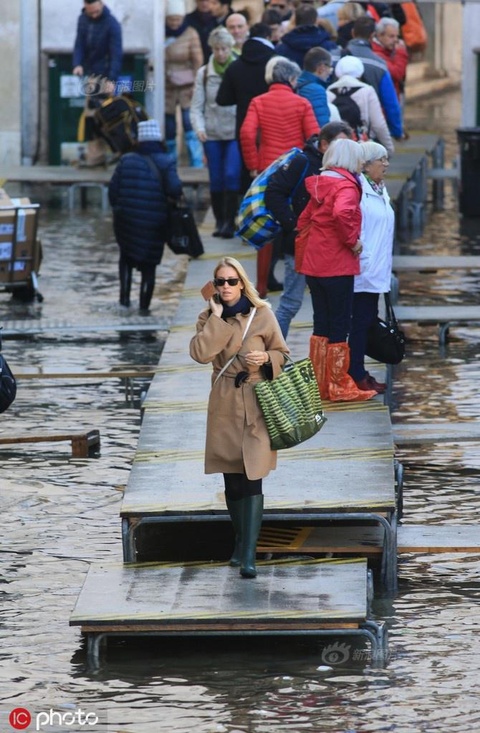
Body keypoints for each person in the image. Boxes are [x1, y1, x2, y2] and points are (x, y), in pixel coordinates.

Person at [189, 257, 288, 579]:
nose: (227, 287)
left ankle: (249, 554)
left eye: (232, 281)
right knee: (231, 478)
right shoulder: (207, 317)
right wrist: (217, 319)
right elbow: (200, 354)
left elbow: (283, 354)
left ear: (243, 283)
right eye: (221, 282)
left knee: (252, 476)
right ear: (214, 287)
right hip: (225, 403)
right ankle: (240, 542)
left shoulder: (262, 315)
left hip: (258, 403)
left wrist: (267, 358)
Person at [296, 138, 377, 402]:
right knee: (340, 324)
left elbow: (304, 220)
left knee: (321, 323)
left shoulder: (320, 182)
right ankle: (338, 385)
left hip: (315, 263)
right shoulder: (347, 185)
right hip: (337, 264)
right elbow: (343, 213)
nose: (363, 164)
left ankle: (319, 384)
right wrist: (352, 241)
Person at [265, 121, 354, 338]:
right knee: (291, 303)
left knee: (322, 313)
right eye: (340, 144)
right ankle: (272, 356)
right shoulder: (302, 162)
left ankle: (318, 364)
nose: (346, 150)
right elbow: (273, 193)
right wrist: (293, 224)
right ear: (324, 144)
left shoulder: (338, 169)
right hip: (300, 243)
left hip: (324, 250)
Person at [240, 57, 319, 299]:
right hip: (295, 172)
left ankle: (261, 287)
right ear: (292, 79)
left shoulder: (258, 102)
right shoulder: (302, 103)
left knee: (266, 227)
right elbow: (314, 136)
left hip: (268, 170)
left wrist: (253, 165)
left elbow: (246, 132)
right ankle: (299, 282)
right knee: (296, 223)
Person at [108, 119, 183, 314]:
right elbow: (175, 189)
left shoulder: (126, 160)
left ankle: (124, 301)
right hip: (154, 224)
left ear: (138, 140)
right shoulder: (166, 161)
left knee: (126, 258)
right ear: (158, 139)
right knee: (149, 266)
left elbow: (112, 192)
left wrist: (122, 210)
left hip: (126, 223)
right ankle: (144, 309)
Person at [348, 140, 394, 393]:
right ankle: (355, 374)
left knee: (365, 321)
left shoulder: (379, 188)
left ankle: (359, 371)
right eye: (382, 160)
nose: (386, 164)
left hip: (377, 267)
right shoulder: (358, 189)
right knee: (359, 322)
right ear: (366, 165)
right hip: (362, 268)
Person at [191, 27, 241, 238]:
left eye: (224, 49)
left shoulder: (239, 67)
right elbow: (196, 106)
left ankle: (230, 221)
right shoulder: (204, 73)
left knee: (231, 175)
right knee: (216, 178)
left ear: (231, 48)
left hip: (234, 131)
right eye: (217, 49)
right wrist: (199, 128)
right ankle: (220, 221)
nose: (220, 53)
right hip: (211, 132)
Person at [216, 22, 277, 194]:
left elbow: (222, 99)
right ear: (268, 37)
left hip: (244, 125)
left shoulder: (235, 67)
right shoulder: (275, 63)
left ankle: (246, 214)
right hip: (272, 126)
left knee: (247, 173)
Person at [72, 0, 123, 165]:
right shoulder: (82, 20)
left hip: (106, 75)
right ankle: (96, 156)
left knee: (107, 118)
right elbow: (79, 43)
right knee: (92, 118)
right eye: (90, 12)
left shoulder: (112, 24)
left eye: (96, 11)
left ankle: (118, 151)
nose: (93, 15)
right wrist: (77, 64)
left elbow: (116, 54)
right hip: (91, 75)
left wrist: (112, 80)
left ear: (101, 4)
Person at [343, 15, 404, 139]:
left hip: (340, 130)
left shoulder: (338, 57)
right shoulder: (379, 64)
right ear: (373, 36)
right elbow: (390, 103)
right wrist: (397, 132)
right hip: (368, 131)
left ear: (353, 33)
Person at [327, 55, 394, 155]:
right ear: (360, 72)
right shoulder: (367, 90)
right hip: (361, 146)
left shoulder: (328, 91)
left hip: (336, 148)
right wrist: (389, 149)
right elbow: (379, 125)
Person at [164, 0, 204, 166]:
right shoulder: (160, 32)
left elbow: (197, 60)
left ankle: (196, 162)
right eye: (171, 19)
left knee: (189, 125)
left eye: (177, 19)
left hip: (187, 85)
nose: (174, 23)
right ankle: (169, 163)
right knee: (169, 126)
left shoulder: (190, 33)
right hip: (167, 87)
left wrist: (196, 83)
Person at [372, 17, 409, 106]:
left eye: (397, 36)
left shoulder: (389, 51)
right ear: (380, 35)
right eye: (391, 36)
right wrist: (401, 52)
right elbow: (397, 73)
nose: (396, 40)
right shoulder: (377, 53)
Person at [296, 46, 335, 128]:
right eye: (330, 67)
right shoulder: (317, 91)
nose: (330, 72)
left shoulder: (295, 84)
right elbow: (323, 126)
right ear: (322, 68)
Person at [185, 0, 217, 64]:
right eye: (201, 1)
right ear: (196, 2)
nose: (204, 3)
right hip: (194, 60)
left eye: (207, 1)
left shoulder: (217, 19)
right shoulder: (187, 19)